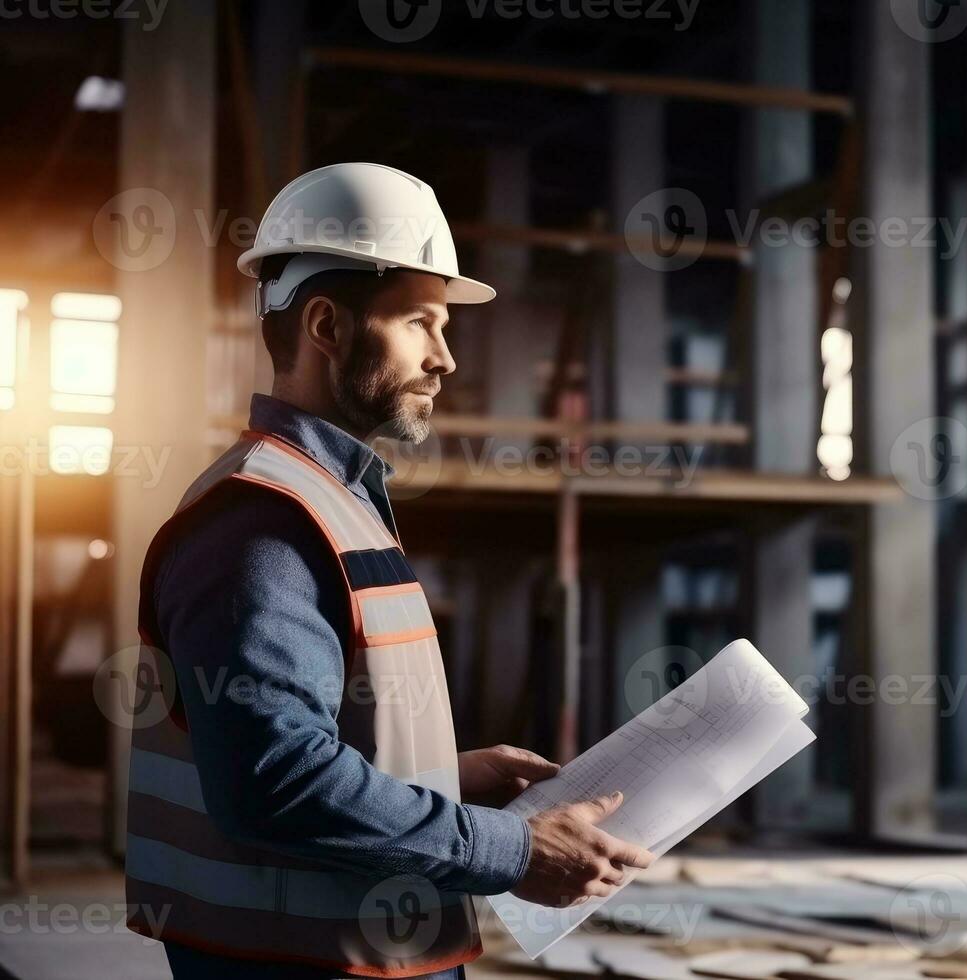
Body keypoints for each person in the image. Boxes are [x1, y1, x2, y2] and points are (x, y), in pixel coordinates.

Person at [123, 163, 654, 979]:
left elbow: (316, 733)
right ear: (328, 326)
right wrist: (514, 849)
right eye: (420, 323)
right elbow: (279, 781)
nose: (444, 359)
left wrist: (450, 777)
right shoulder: (263, 524)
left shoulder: (332, 501)